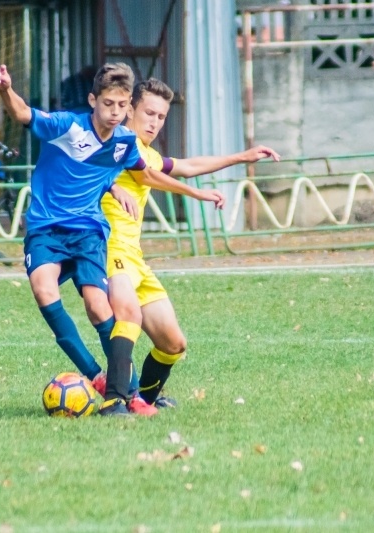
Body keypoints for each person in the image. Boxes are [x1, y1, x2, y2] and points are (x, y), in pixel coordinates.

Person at [0, 63, 225, 416]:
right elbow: (23, 113)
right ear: (93, 100)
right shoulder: (68, 126)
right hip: (47, 227)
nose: (115, 113)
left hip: (89, 232)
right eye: (108, 104)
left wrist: (125, 187)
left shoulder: (125, 143)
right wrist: (5, 89)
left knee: (99, 307)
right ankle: (97, 377)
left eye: (121, 105)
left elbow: (146, 174)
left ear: (127, 104)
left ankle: (130, 395)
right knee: (43, 290)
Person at [96, 78, 280, 411]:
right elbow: (147, 177)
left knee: (172, 342)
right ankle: (115, 401)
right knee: (129, 316)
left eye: (161, 117)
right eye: (149, 113)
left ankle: (143, 401)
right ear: (129, 111)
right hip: (110, 249)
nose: (154, 122)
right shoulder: (120, 145)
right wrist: (197, 195)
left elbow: (187, 166)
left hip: (134, 257)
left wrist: (242, 156)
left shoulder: (148, 153)